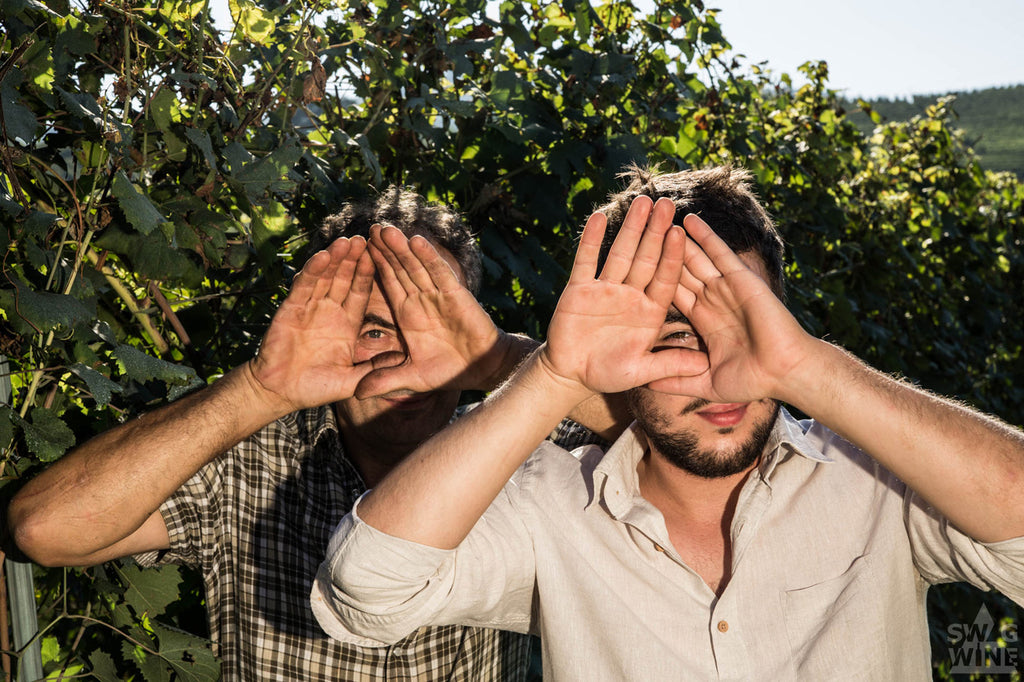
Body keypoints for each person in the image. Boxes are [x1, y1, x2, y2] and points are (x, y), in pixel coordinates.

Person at [311, 167, 1024, 680]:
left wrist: (811, 370)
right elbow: (368, 591)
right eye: (677, 336)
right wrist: (556, 375)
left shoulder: (877, 484)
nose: (723, 372)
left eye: (745, 325)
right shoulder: (550, 505)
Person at [6, 187, 606, 680]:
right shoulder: (251, 465)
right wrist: (259, 391)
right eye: (374, 332)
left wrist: (501, 359)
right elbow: (45, 529)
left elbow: (676, 449)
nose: (406, 360)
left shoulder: (526, 455)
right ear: (330, 335)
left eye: (434, 329)